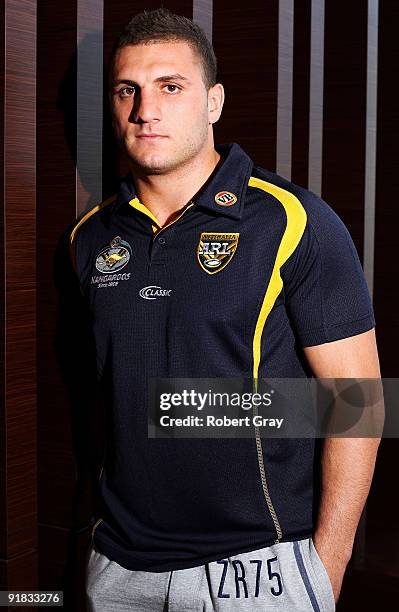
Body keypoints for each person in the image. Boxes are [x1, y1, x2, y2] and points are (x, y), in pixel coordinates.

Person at [61, 7, 381, 611]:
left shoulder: (292, 221)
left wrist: (325, 571)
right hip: (119, 567)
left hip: (259, 570)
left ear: (214, 102)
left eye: (170, 87)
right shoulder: (89, 238)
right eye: (127, 89)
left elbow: (357, 401)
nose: (144, 110)